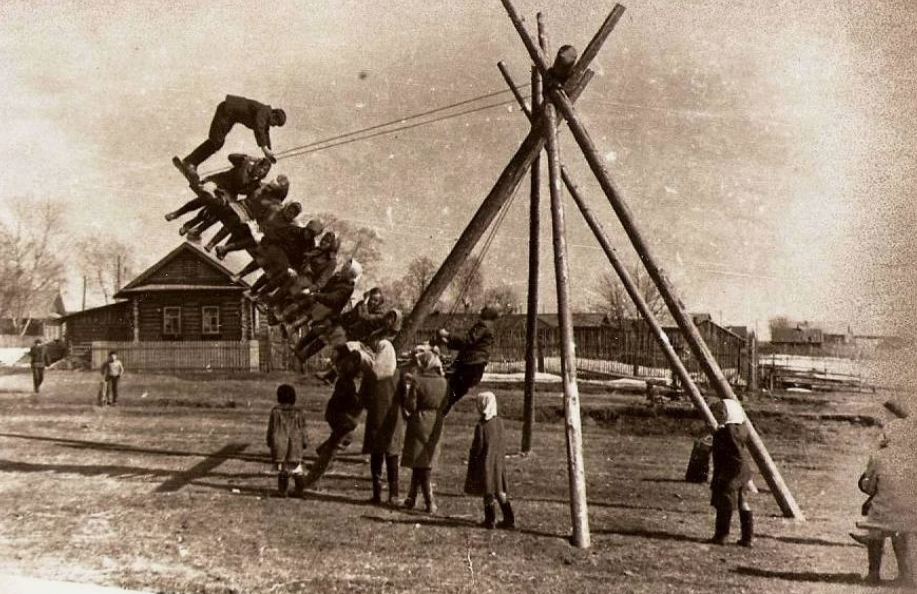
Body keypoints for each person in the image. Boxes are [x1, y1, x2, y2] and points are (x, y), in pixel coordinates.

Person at [850, 405, 916, 585]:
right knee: (901, 529)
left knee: (876, 529)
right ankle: (906, 575)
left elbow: (870, 488)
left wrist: (868, 483)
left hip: (884, 513)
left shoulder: (879, 456)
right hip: (911, 513)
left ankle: (873, 573)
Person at [301, 348, 369, 491]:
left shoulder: (345, 381)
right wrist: (359, 400)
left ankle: (322, 451)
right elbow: (349, 401)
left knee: (345, 438)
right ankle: (313, 477)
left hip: (336, 415)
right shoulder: (346, 384)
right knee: (335, 446)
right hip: (339, 417)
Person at [360, 311, 404, 505]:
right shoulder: (398, 374)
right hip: (394, 418)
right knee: (392, 455)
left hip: (376, 417)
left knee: (376, 455)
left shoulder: (371, 374)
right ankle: (394, 494)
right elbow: (404, 396)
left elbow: (363, 397)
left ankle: (377, 493)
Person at [181, 95, 286, 176]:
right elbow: (259, 127)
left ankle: (191, 162)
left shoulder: (266, 117)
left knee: (217, 143)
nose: (273, 126)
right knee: (216, 142)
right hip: (226, 111)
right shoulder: (265, 111)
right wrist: (265, 149)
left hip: (230, 117)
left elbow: (265, 133)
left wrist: (269, 152)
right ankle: (190, 162)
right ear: (274, 115)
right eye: (275, 123)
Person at [400, 347, 448, 514]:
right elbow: (446, 403)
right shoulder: (444, 382)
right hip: (436, 421)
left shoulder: (417, 381)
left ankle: (429, 501)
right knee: (423, 462)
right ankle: (411, 497)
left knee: (421, 464)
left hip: (419, 421)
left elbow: (411, 405)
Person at [464, 391, 515, 530]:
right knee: (500, 491)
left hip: (485, 463)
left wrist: (473, 455)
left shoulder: (481, 426)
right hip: (498, 462)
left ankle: (490, 519)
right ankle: (509, 518)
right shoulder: (499, 422)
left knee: (488, 491)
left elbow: (478, 446)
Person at [707, 398, 754, 547]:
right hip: (742, 472)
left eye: (721, 412)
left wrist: (726, 475)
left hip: (730, 473)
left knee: (724, 503)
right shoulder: (740, 428)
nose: (718, 415)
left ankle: (721, 535)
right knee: (742, 502)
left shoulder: (727, 431)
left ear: (729, 413)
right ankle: (747, 538)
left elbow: (735, 455)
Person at [438, 305, 499, 417]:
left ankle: (438, 415)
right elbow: (469, 345)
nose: (481, 310)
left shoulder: (483, 326)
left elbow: (467, 340)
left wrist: (447, 335)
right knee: (455, 392)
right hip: (475, 366)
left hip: (470, 364)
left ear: (488, 314)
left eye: (484, 309)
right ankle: (440, 414)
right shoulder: (490, 327)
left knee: (450, 389)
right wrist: (447, 341)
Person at [266, 384, 309, 498]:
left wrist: (269, 440)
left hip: (280, 443)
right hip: (296, 442)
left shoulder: (275, 412)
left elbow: (271, 428)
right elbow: (303, 428)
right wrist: (305, 441)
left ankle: (282, 491)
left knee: (283, 468)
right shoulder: (299, 412)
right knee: (297, 468)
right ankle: (299, 490)